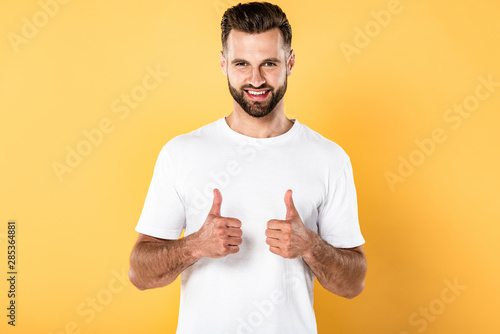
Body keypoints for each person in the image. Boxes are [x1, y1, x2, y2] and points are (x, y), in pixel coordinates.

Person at [128, 2, 367, 333]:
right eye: (242, 64)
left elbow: (352, 283)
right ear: (224, 64)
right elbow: (140, 274)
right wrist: (194, 245)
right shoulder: (181, 153)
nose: (256, 79)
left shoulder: (329, 158)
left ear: (290, 62)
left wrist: (311, 246)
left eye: (269, 63)